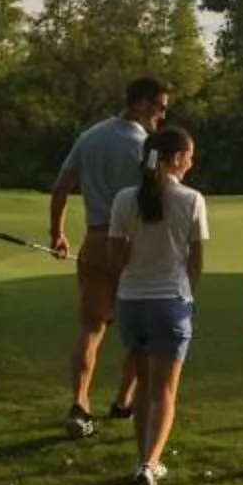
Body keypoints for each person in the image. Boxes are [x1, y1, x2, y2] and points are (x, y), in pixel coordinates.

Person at [46, 75, 169, 440]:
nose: (162, 116)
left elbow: (61, 187)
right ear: (143, 103)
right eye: (160, 108)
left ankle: (80, 404)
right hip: (133, 247)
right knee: (142, 334)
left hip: (96, 241)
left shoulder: (89, 136)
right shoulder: (148, 145)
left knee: (91, 329)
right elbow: (155, 200)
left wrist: (57, 233)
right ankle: (123, 400)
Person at [106, 122, 208, 485]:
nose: (193, 160)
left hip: (131, 302)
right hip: (171, 302)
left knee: (145, 389)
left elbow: (117, 260)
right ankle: (149, 466)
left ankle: (143, 461)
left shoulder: (123, 200)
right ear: (178, 158)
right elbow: (196, 260)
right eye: (190, 154)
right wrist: (188, 293)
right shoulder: (192, 199)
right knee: (164, 394)